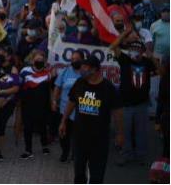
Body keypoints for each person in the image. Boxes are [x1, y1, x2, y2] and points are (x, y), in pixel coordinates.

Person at [59, 55, 123, 184]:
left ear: (94, 70)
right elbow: (71, 102)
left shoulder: (108, 88)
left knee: (97, 175)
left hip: (100, 139)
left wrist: (120, 133)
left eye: (85, 67)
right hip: (79, 137)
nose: (81, 69)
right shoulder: (79, 83)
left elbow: (117, 112)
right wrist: (63, 121)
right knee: (79, 172)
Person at [110, 33, 156, 166]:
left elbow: (161, 71)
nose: (134, 52)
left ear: (142, 52)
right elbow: (113, 46)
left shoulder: (147, 62)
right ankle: (126, 155)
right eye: (132, 49)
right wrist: (126, 33)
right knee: (126, 131)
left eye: (137, 50)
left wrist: (152, 56)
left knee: (141, 132)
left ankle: (141, 156)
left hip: (142, 104)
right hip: (126, 104)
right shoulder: (124, 59)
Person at [52, 50, 85, 162]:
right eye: (72, 59)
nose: (74, 61)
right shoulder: (65, 71)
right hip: (65, 109)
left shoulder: (85, 73)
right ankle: (65, 152)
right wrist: (54, 101)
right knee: (64, 133)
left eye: (76, 59)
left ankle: (75, 154)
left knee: (78, 135)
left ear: (82, 59)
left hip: (81, 110)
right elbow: (57, 87)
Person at [0, 47, 20, 161]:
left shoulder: (13, 70)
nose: (1, 56)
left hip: (8, 102)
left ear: (9, 56)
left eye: (3, 54)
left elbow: (16, 88)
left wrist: (1, 93)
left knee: (1, 125)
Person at [18, 51, 51, 159]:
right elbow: (19, 86)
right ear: (32, 60)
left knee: (42, 127)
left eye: (41, 61)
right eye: (37, 60)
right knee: (27, 127)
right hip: (27, 105)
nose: (39, 62)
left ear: (45, 62)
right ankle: (28, 150)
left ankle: (44, 145)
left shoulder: (48, 74)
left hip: (42, 105)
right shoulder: (24, 71)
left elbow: (50, 90)